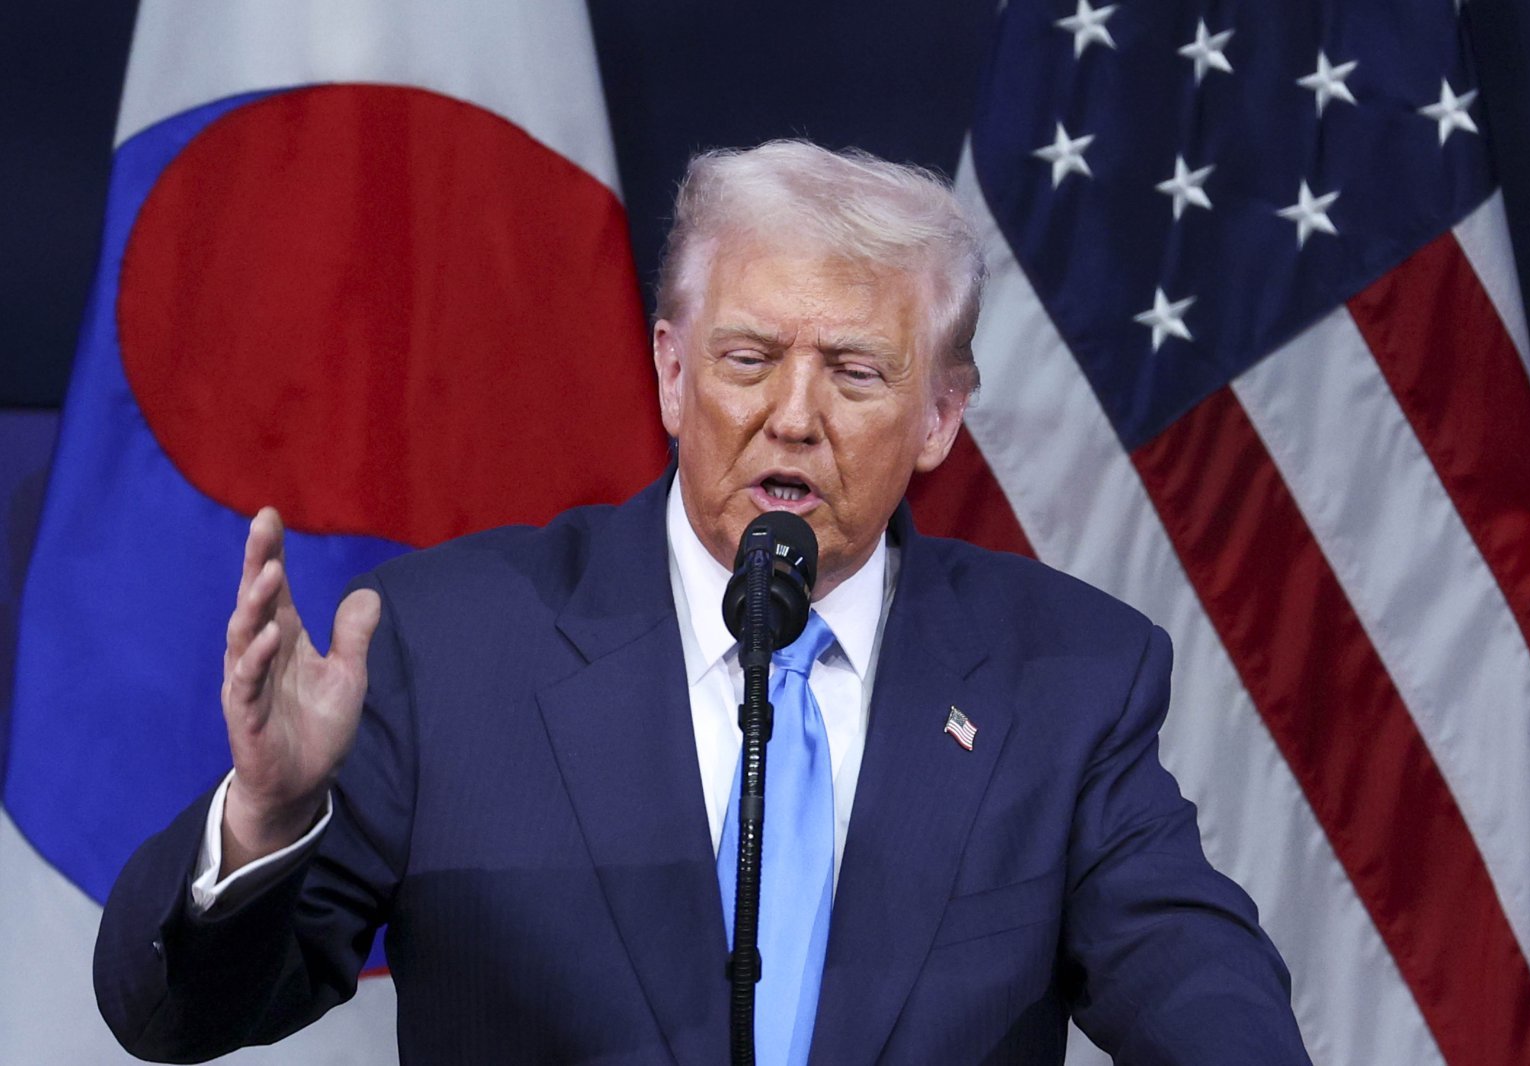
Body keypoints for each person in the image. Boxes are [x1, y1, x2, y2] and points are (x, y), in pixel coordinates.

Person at [94, 140, 1311, 1064]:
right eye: (748, 360)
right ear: (673, 373)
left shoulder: (1065, 675)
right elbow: (171, 1017)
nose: (793, 416)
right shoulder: (451, 647)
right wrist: (265, 816)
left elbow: (1195, 983)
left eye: (854, 372)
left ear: (940, 415)